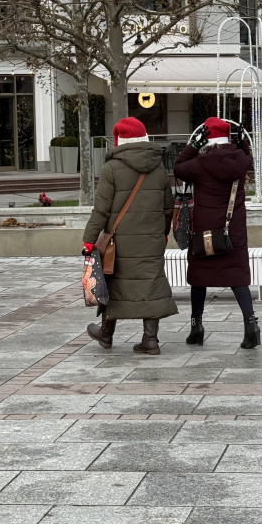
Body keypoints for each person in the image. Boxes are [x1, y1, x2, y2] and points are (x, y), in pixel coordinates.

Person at [82, 117, 178, 355]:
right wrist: (163, 234)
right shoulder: (158, 167)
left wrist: (89, 239)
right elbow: (168, 207)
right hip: (152, 240)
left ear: (119, 140)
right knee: (151, 284)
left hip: (120, 242)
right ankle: (150, 340)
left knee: (113, 284)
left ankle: (106, 334)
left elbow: (101, 210)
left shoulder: (112, 168)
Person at [173, 116, 260, 348]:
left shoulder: (200, 164)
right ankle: (251, 325)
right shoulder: (240, 160)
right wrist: (242, 143)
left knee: (199, 279)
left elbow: (178, 168)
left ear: (206, 137)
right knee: (238, 277)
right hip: (233, 231)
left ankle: (196, 328)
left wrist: (192, 146)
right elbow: (249, 159)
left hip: (205, 233)